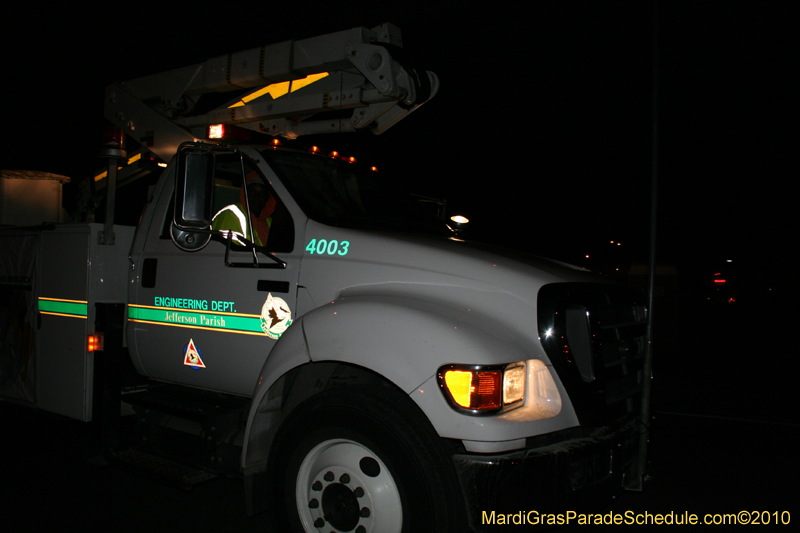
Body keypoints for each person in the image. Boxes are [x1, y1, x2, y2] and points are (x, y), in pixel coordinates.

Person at [211, 172, 276, 246]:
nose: (257, 197)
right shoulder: (231, 215)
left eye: (262, 194)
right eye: (252, 192)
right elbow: (229, 253)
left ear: (267, 198)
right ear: (245, 194)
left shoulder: (269, 221)